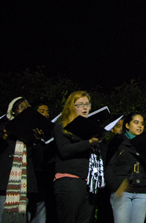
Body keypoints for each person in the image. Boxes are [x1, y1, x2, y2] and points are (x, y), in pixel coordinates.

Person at [0, 97, 43, 223]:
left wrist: (37, 142)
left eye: (27, 108)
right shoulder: (2, 127)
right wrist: (4, 137)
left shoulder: (32, 130)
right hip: (4, 183)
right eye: (22, 107)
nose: (25, 110)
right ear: (12, 111)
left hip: (25, 185)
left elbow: (38, 161)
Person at [53, 91, 103, 223]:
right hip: (69, 181)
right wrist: (89, 142)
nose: (85, 107)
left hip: (88, 183)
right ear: (71, 106)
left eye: (87, 104)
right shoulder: (62, 126)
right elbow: (64, 150)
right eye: (80, 104)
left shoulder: (89, 128)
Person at [105, 113, 146, 223]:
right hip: (123, 191)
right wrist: (115, 188)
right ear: (127, 125)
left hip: (142, 192)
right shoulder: (117, 142)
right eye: (136, 122)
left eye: (142, 123)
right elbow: (109, 167)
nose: (140, 126)